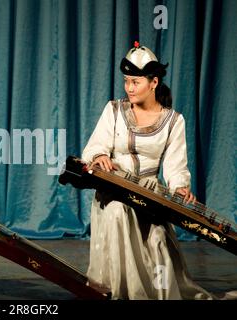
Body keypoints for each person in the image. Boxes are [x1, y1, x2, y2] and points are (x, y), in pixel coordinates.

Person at [81, 42, 213, 300]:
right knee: (118, 213)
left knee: (158, 241)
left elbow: (176, 167)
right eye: (127, 81)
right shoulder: (114, 111)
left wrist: (180, 187)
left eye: (136, 82)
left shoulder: (174, 121)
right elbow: (95, 146)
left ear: (153, 83)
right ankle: (118, 291)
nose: (129, 88)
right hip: (114, 191)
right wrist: (99, 156)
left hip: (150, 196)